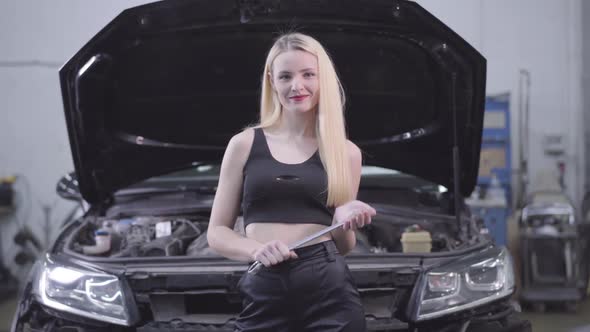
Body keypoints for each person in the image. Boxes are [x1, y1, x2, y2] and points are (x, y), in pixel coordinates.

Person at [207, 32, 377, 332]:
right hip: (265, 284)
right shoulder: (244, 144)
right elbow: (217, 232)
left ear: (322, 78)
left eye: (308, 74)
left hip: (330, 290)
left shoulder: (345, 152)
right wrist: (253, 250)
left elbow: (345, 246)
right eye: (285, 76)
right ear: (272, 81)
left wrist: (343, 218)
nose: (297, 86)